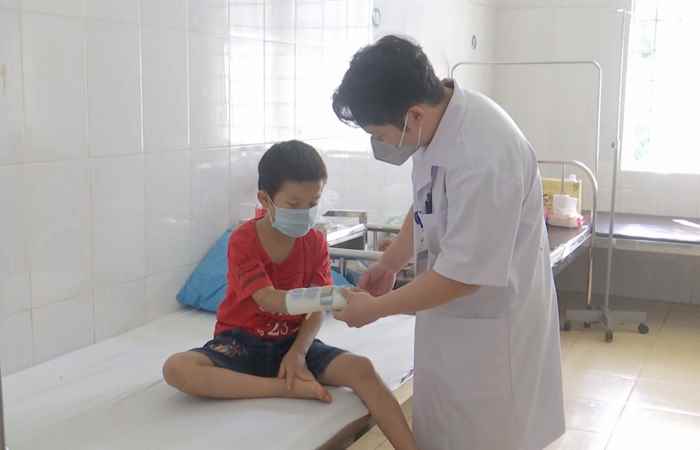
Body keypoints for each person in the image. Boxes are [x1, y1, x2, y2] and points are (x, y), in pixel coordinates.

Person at [332, 35, 566, 450]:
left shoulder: (485, 155)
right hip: (453, 327)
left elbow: (463, 275)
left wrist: (376, 309)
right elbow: (426, 204)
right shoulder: (434, 129)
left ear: (413, 115)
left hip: (494, 337)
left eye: (380, 134)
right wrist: (391, 263)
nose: (380, 144)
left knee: (488, 437)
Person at [162, 140, 417, 450]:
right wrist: (332, 296)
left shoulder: (315, 242)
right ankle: (283, 388)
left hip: (293, 342)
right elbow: (269, 299)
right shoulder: (243, 240)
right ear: (265, 199)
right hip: (241, 342)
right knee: (177, 368)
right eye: (294, 205)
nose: (305, 213)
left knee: (362, 369)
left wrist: (298, 352)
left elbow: (314, 313)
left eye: (313, 203)